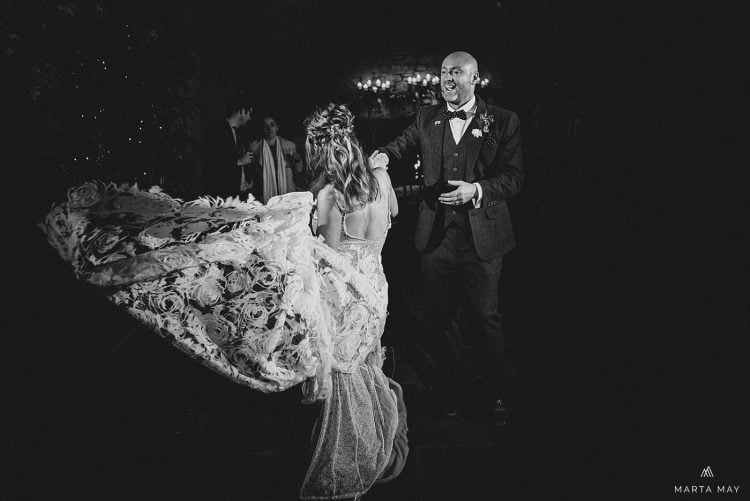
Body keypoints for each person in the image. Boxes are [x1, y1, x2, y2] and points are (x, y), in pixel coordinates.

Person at [40, 103, 406, 501]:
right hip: (375, 287)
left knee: (343, 374)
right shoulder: (381, 181)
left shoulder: (333, 195)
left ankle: (355, 453)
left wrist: (295, 245)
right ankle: (382, 434)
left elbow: (331, 256)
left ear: (320, 147)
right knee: (366, 360)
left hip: (344, 293)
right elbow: (393, 214)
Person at [372, 51, 524, 425]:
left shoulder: (501, 121)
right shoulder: (428, 117)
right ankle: (452, 391)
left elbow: (514, 177)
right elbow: (401, 144)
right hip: (436, 238)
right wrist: (381, 158)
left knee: (485, 317)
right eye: (443, 72)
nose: (447, 79)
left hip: (482, 238)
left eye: (456, 72)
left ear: (474, 79)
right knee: (442, 319)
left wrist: (476, 190)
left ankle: (498, 392)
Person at [201, 98, 254, 198]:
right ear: (242, 111)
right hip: (222, 195)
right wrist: (239, 161)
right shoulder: (216, 131)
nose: (250, 118)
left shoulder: (240, 134)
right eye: (249, 114)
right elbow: (211, 162)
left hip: (238, 194)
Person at [246, 115, 304, 203]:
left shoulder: (289, 145)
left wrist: (297, 161)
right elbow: (251, 173)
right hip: (265, 194)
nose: (269, 128)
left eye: (272, 125)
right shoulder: (255, 147)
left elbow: (298, 170)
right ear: (262, 129)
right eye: (266, 126)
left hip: (287, 192)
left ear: (277, 127)